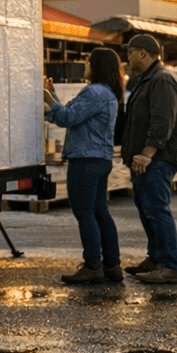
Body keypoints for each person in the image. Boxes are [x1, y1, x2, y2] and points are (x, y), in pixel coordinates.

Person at [44, 48, 125, 284]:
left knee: (85, 213)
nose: (84, 66)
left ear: (97, 66)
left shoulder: (94, 92)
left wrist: (48, 99)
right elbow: (71, 114)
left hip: (85, 160)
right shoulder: (108, 93)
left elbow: (67, 118)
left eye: (88, 62)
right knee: (100, 211)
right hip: (101, 159)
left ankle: (92, 265)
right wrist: (54, 96)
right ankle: (112, 264)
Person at [119, 33, 177, 284]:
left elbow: (162, 122)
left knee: (157, 210)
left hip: (158, 159)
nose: (127, 58)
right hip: (147, 159)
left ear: (143, 53)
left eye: (129, 53)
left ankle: (170, 265)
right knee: (147, 208)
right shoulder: (149, 79)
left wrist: (147, 153)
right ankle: (156, 258)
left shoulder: (162, 80)